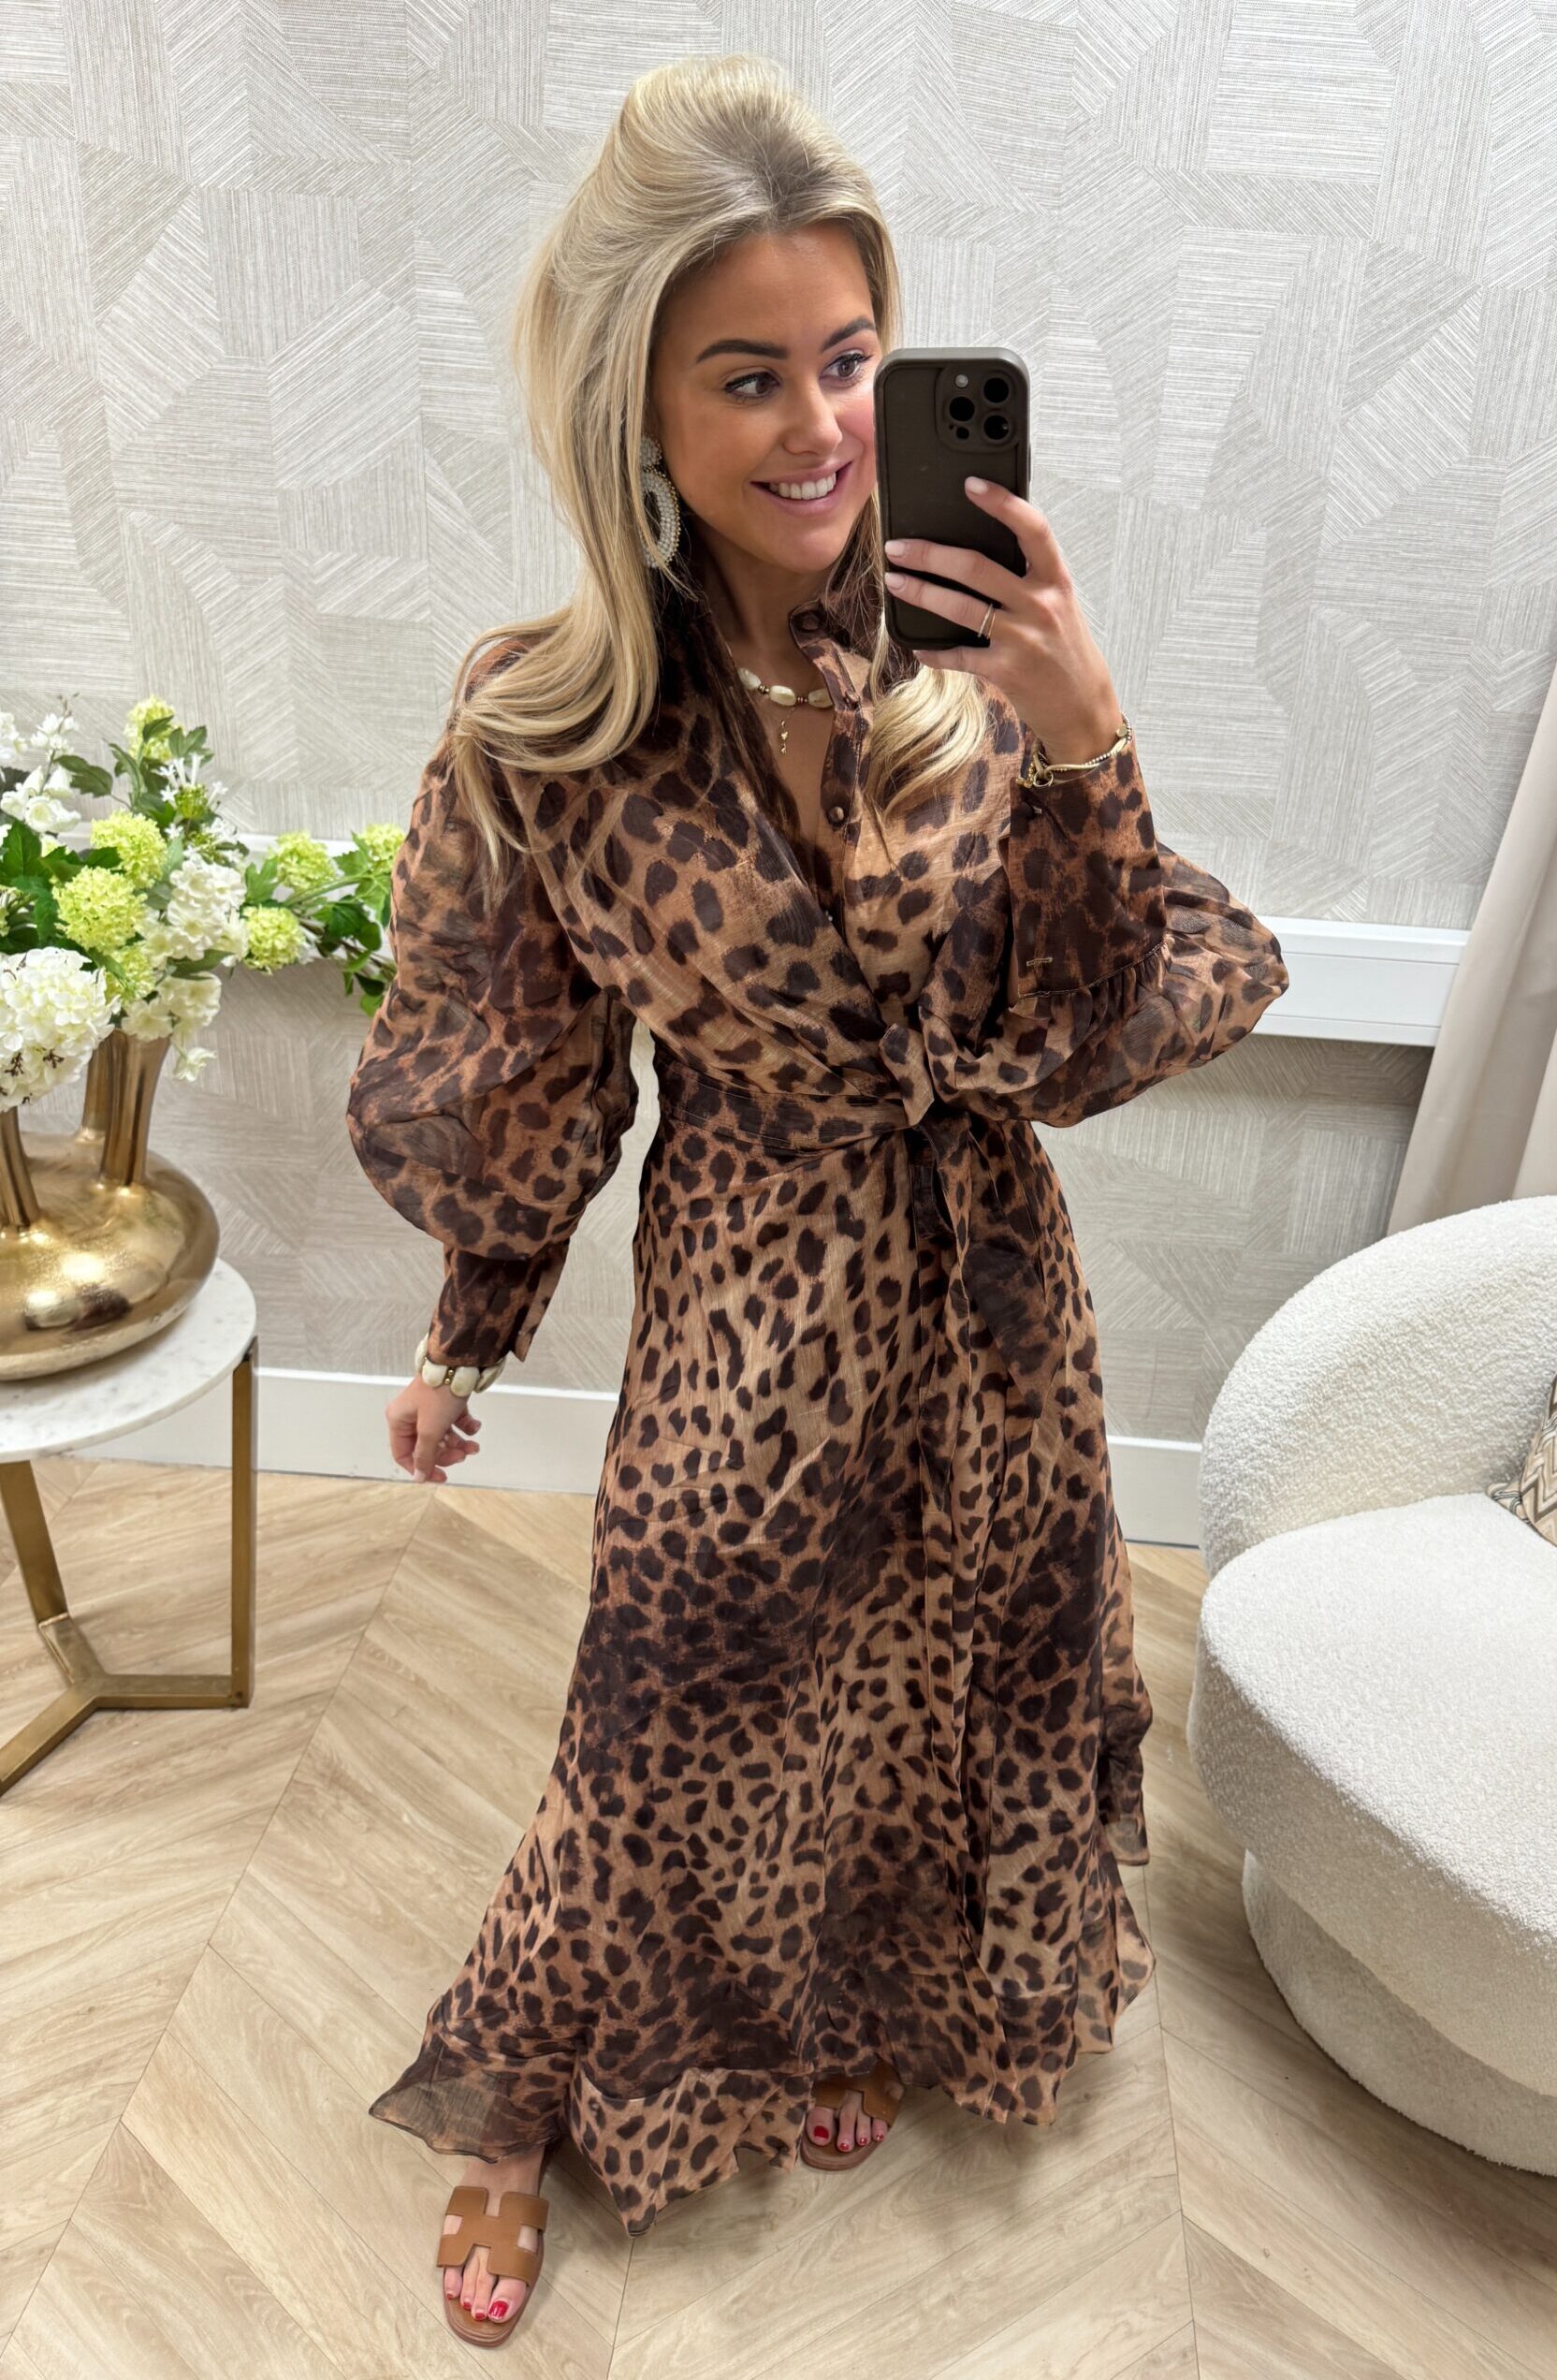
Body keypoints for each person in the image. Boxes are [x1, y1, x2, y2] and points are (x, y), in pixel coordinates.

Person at [345, 51, 1288, 2342]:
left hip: (985, 1295)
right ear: (635, 404)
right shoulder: (545, 724)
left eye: (851, 360)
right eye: (747, 375)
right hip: (747, 1293)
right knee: (661, 1703)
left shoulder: (973, 663)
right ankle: (519, 2107)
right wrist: (469, 1326)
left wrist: (1082, 740)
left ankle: (861, 2000)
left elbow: (1079, 1032)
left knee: (939, 1674)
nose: (822, 428)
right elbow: (522, 1057)